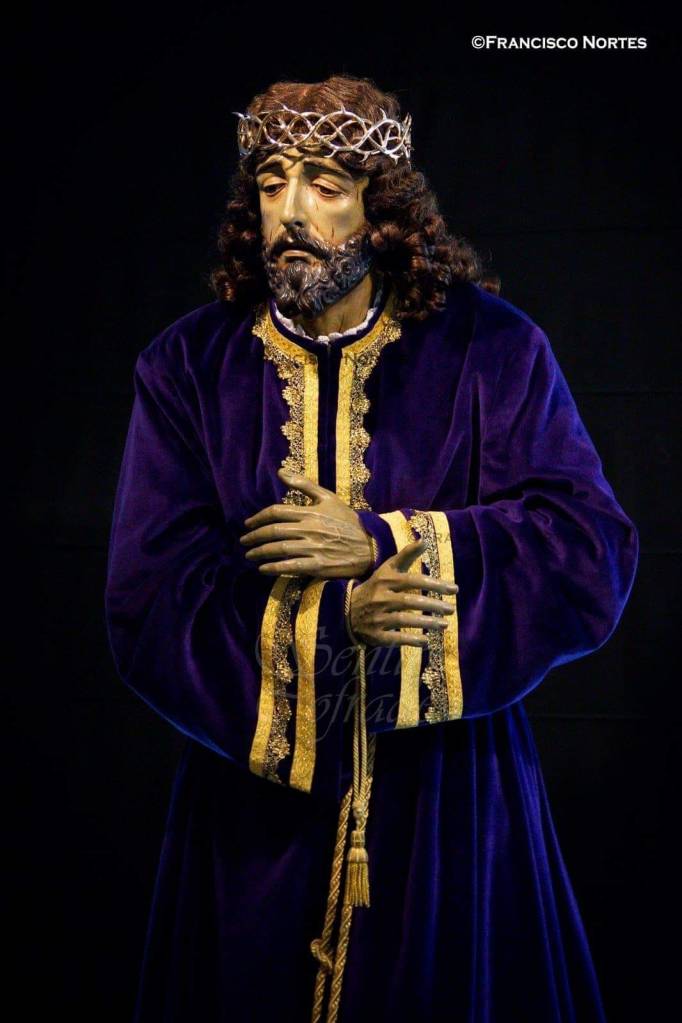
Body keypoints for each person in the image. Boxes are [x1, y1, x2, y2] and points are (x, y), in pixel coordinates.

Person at [104, 73, 638, 1023]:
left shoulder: (493, 349)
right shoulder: (186, 366)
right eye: (271, 181)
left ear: (380, 207)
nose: (291, 211)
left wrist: (386, 542)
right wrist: (334, 619)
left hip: (448, 795)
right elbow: (149, 597)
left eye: (325, 183)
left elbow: (587, 546)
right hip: (254, 810)